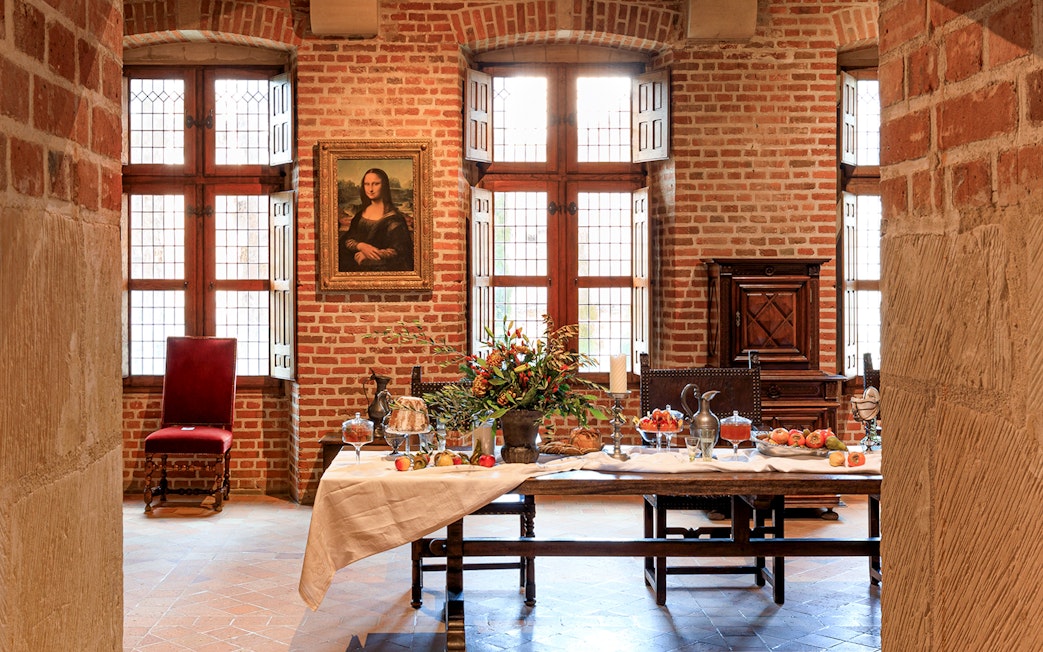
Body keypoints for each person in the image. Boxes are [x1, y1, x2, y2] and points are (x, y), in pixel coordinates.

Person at [338, 168, 414, 272]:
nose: (370, 189)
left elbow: (400, 251)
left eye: (376, 184)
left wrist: (370, 254)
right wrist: (361, 246)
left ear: (384, 186)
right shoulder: (359, 215)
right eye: (367, 184)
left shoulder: (395, 219)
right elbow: (348, 240)